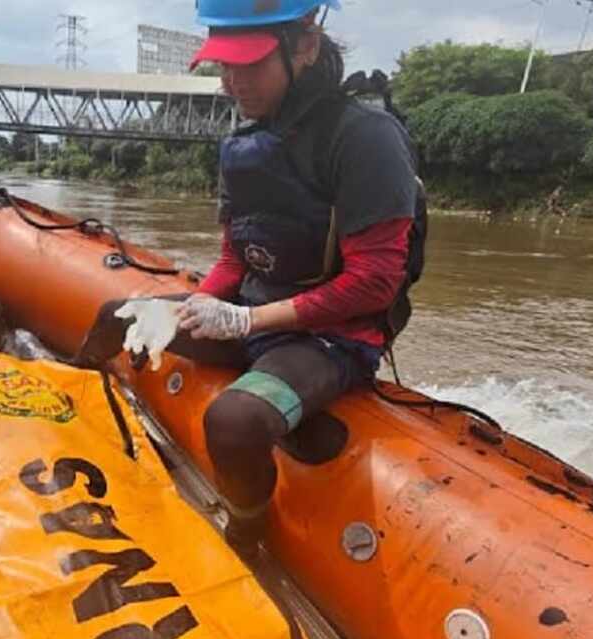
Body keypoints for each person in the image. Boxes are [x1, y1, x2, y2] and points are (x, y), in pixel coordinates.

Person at [102, 0, 426, 559]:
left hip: (331, 337)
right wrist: (200, 305)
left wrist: (247, 320)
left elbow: (374, 283)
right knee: (118, 315)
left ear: (305, 46)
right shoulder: (246, 144)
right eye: (223, 66)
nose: (232, 83)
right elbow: (235, 257)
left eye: (248, 64)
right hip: (252, 313)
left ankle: (247, 530)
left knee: (234, 421)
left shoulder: (366, 138)